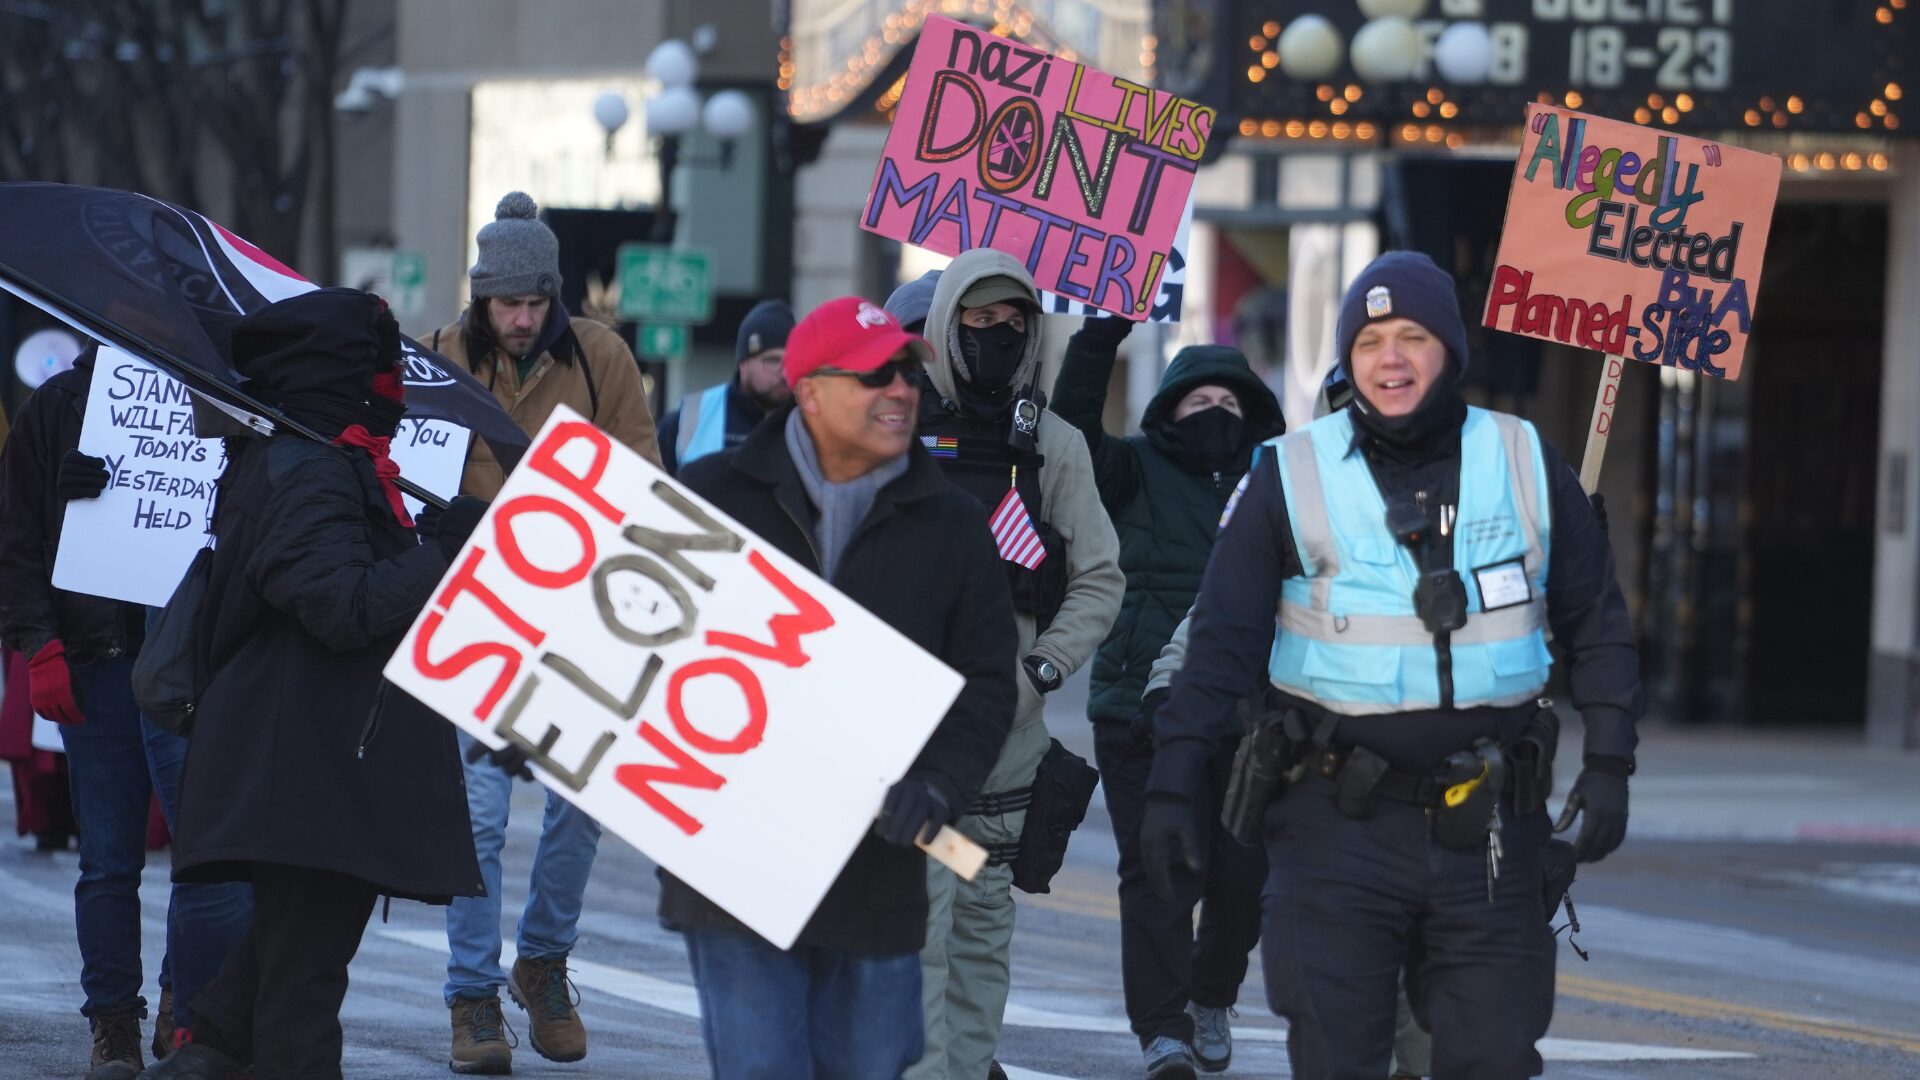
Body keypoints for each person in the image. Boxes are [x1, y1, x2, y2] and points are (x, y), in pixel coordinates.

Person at [1141, 252, 1641, 1080]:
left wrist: (1613, 759)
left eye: (1414, 336)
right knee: (1340, 1057)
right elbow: (1220, 644)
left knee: (1492, 1057)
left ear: (1451, 348)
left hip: (1489, 828)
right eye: (1371, 341)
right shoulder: (1288, 475)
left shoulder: (1524, 460)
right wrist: (1172, 785)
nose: (1392, 358)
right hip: (1335, 829)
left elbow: (1597, 620)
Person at [662, 295, 1019, 1077]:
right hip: (736, 867)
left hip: (876, 871)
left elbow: (988, 680)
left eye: (906, 373)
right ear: (810, 391)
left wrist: (939, 784)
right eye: (875, 375)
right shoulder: (711, 495)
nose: (900, 389)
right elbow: (642, 646)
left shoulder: (954, 524)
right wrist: (554, 726)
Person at [139, 288, 486, 1080]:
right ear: (343, 376)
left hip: (315, 766)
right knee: (303, 986)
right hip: (305, 771)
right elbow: (341, 607)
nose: (399, 383)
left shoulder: (329, 458)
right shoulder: (311, 466)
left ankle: (212, 1051)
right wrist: (443, 559)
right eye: (384, 367)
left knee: (267, 974)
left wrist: (430, 538)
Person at [424, 190, 661, 1073]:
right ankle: (472, 999)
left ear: (553, 296)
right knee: (478, 819)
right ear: (481, 296)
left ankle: (544, 960)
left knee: (584, 805)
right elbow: (407, 479)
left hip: (577, 616)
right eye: (506, 303)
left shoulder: (600, 358)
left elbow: (643, 484)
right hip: (475, 617)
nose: (521, 319)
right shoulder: (441, 359)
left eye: (533, 302)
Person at [891, 252, 1124, 1080]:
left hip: (1008, 737)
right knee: (922, 919)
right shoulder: (896, 422)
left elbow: (1099, 576)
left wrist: (1043, 674)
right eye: (979, 323)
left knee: (980, 919)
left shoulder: (1051, 445)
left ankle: (965, 1064)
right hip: (910, 721)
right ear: (946, 326)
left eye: (1013, 326)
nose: (996, 339)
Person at [0, 344, 252, 1079]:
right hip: (97, 663)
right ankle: (113, 1023)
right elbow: (15, 540)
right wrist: (39, 647)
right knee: (108, 859)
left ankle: (187, 1006)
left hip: (189, 669)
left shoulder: (219, 399)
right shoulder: (55, 407)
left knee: (202, 855)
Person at [1049, 315, 1283, 1079]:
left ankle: (1212, 993)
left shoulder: (1275, 482)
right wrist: (1096, 342)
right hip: (1137, 711)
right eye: (1196, 398)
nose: (1212, 410)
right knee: (1156, 869)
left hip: (1250, 715)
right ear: (1169, 408)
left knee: (1242, 876)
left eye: (1228, 398)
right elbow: (1073, 430)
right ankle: (1164, 1030)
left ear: (1251, 412)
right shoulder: (1134, 469)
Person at [656, 299, 795, 473]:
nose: (784, 373)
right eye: (772, 361)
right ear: (743, 363)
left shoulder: (807, 421)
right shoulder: (688, 419)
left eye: (791, 362)